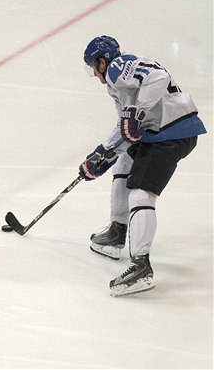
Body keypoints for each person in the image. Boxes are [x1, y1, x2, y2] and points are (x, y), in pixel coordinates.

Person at [78, 36, 206, 296]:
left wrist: (137, 112)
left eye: (93, 66)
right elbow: (127, 128)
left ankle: (141, 266)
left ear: (102, 61)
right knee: (123, 162)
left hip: (172, 131)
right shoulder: (118, 85)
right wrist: (104, 153)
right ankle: (117, 231)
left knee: (141, 192)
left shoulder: (118, 67)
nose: (93, 73)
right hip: (160, 131)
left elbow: (157, 77)